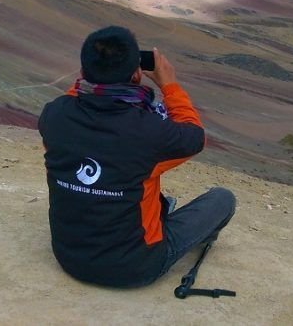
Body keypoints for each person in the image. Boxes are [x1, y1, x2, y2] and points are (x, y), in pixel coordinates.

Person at [38, 25, 235, 288]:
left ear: (83, 72)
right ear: (137, 75)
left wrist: (94, 77)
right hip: (136, 267)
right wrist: (170, 85)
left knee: (145, 191)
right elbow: (194, 136)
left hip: (69, 257)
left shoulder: (54, 116)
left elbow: (75, 97)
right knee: (222, 199)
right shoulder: (149, 133)